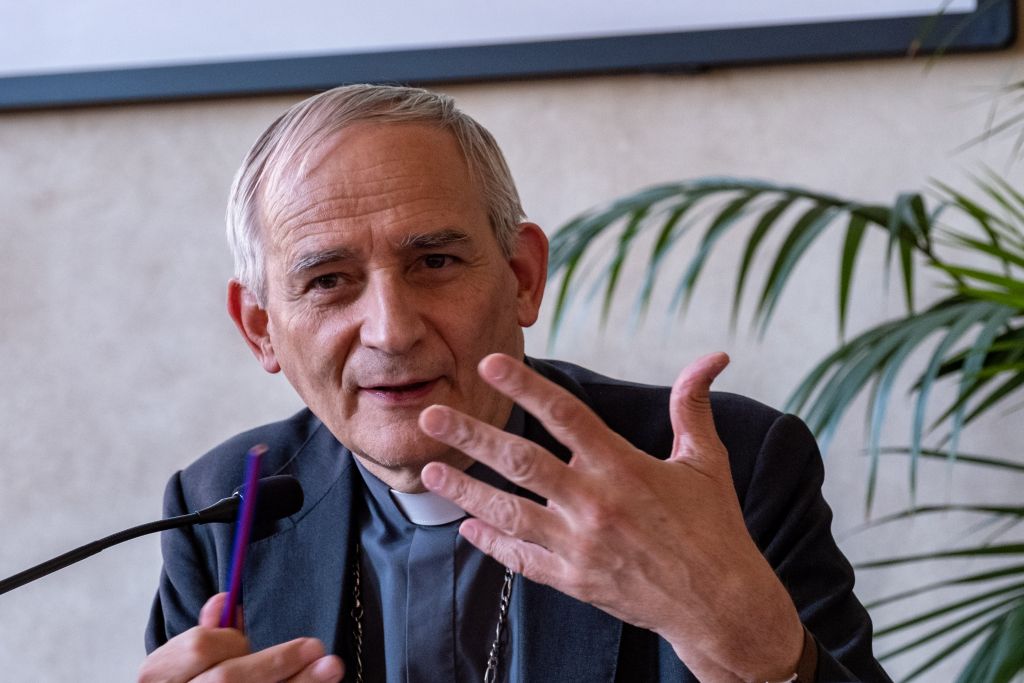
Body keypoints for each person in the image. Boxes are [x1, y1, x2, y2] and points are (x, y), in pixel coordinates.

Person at [140, 84, 890, 683]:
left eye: (435, 262)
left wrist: (762, 658)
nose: (391, 331)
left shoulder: (725, 467)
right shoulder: (220, 511)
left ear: (522, 276)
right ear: (262, 328)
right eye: (329, 280)